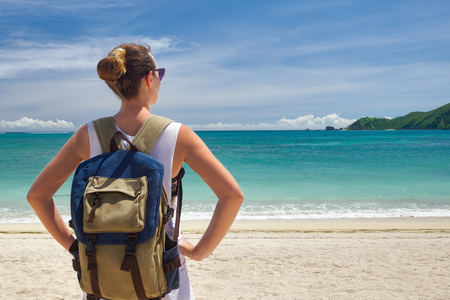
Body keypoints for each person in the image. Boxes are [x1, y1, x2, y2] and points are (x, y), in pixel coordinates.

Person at [27, 43, 244, 300]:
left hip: (102, 279)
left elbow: (37, 196)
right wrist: (199, 251)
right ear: (149, 78)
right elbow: (232, 195)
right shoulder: (177, 135)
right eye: (159, 73)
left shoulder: (88, 134)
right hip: (160, 278)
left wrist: (74, 246)